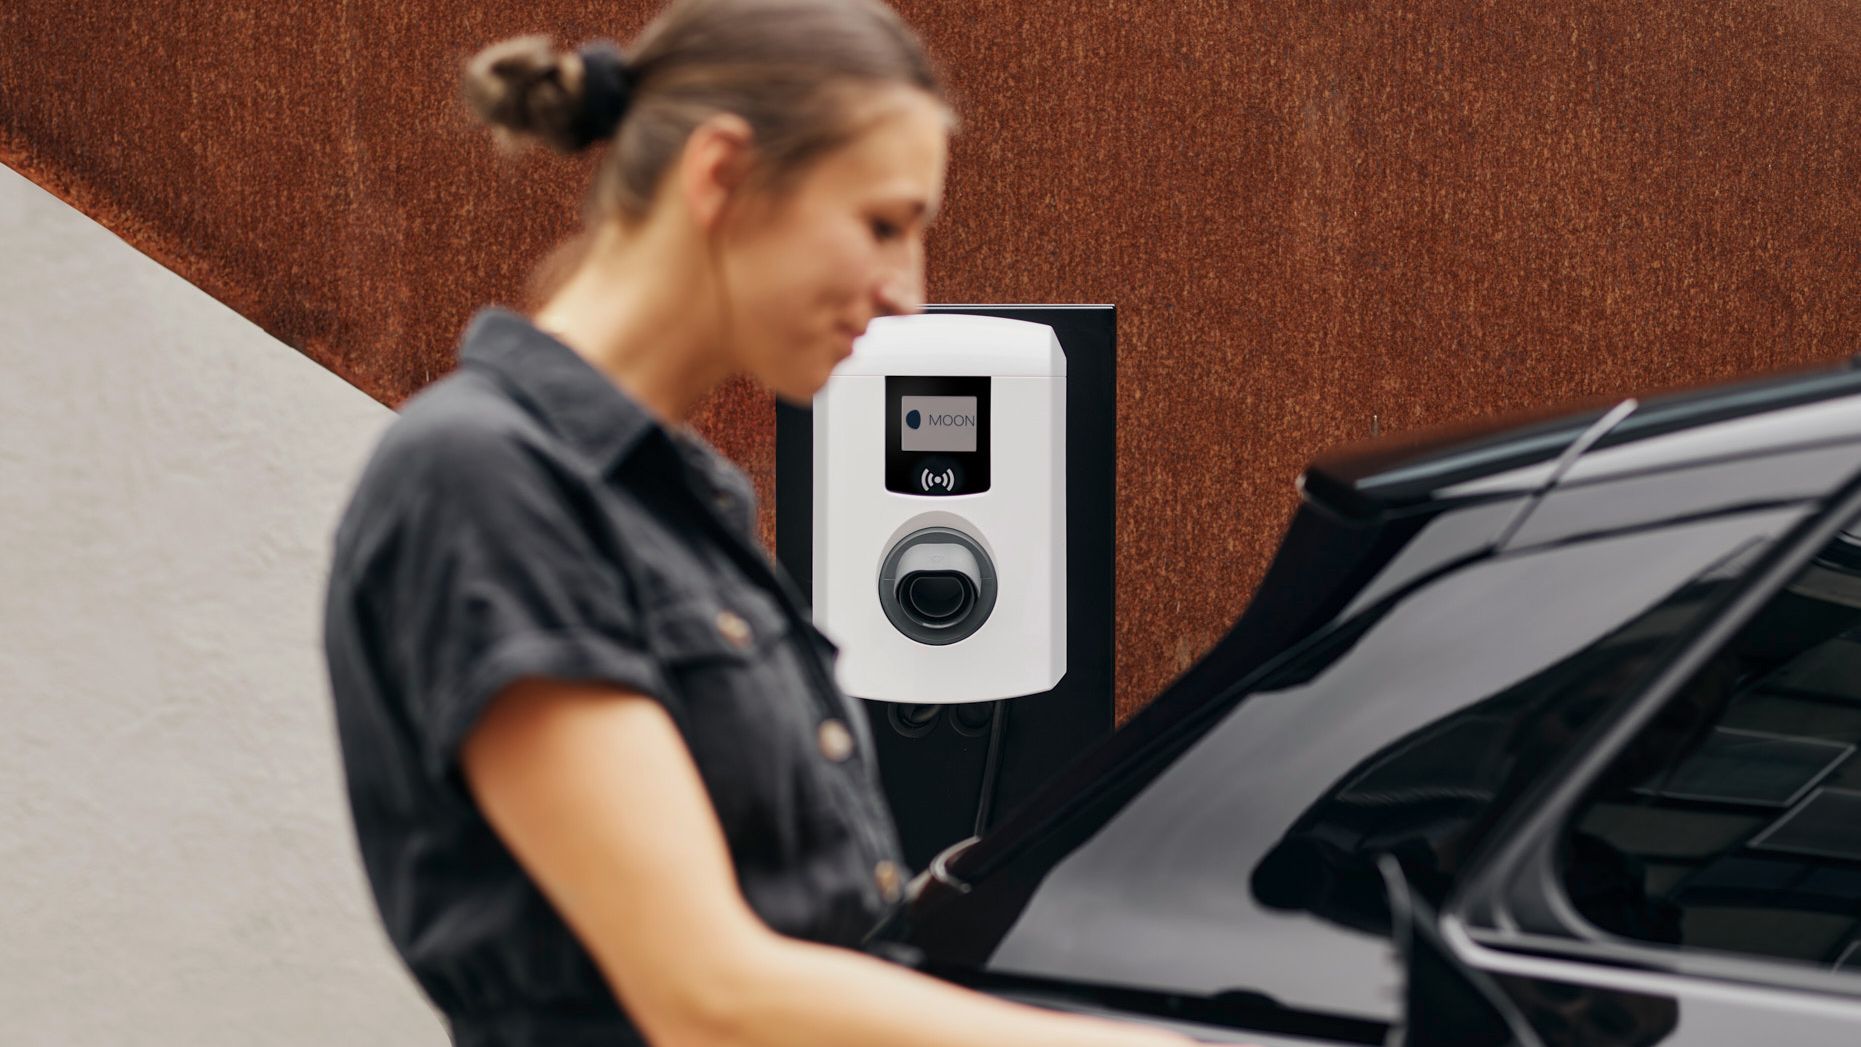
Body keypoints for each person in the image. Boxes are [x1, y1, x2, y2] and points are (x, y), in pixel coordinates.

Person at [321, 2, 1200, 1044]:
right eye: (882, 224)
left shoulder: (679, 502)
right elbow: (707, 996)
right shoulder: (484, 481)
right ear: (721, 175)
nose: (905, 297)